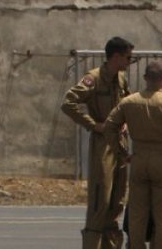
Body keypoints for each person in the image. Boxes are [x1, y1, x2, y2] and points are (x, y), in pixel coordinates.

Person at [104, 61, 162, 249]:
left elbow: (109, 126)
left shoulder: (129, 102)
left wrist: (121, 152)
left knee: (137, 213)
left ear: (145, 78)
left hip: (138, 158)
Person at [61, 36, 134, 249]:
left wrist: (126, 123)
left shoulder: (121, 79)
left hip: (120, 142)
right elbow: (69, 103)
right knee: (100, 199)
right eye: (127, 57)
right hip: (103, 143)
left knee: (117, 200)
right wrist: (94, 125)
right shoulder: (94, 78)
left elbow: (126, 103)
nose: (129, 61)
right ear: (116, 56)